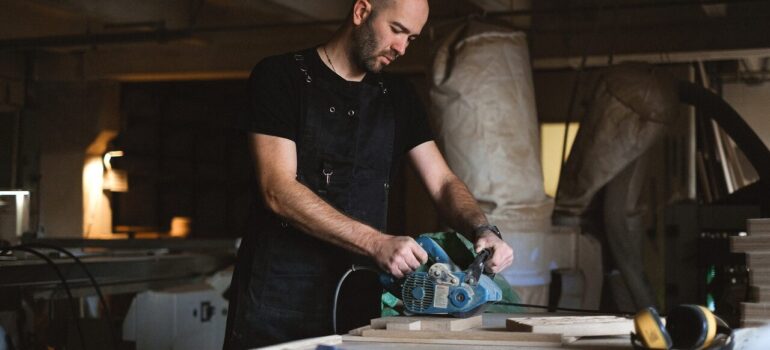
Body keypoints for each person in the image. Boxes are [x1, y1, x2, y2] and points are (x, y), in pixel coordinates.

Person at [224, 0, 514, 348]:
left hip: (358, 300)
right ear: (361, 11)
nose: (402, 48)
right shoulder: (280, 77)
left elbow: (443, 182)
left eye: (412, 39)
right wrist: (375, 242)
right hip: (277, 300)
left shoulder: (399, 97)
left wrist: (482, 229)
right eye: (397, 31)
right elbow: (277, 189)